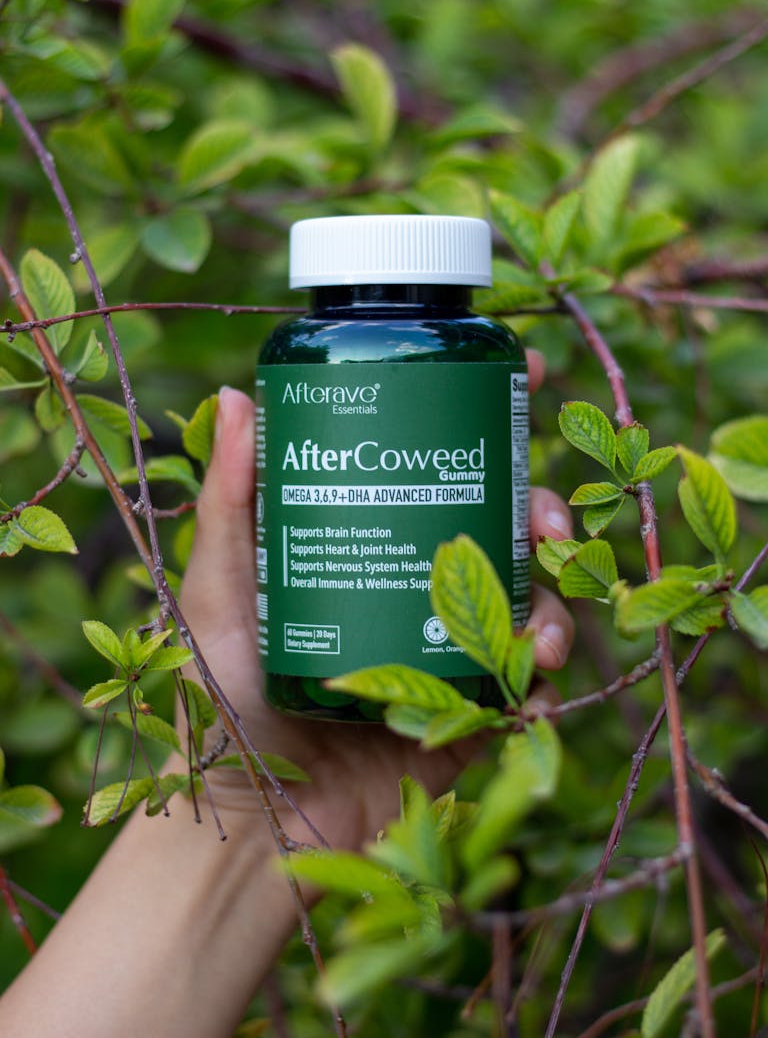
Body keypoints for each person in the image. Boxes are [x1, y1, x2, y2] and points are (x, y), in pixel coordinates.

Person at [0, 356, 574, 1038]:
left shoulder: (470, 354)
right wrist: (237, 807)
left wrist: (243, 819)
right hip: (270, 759)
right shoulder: (309, 355)